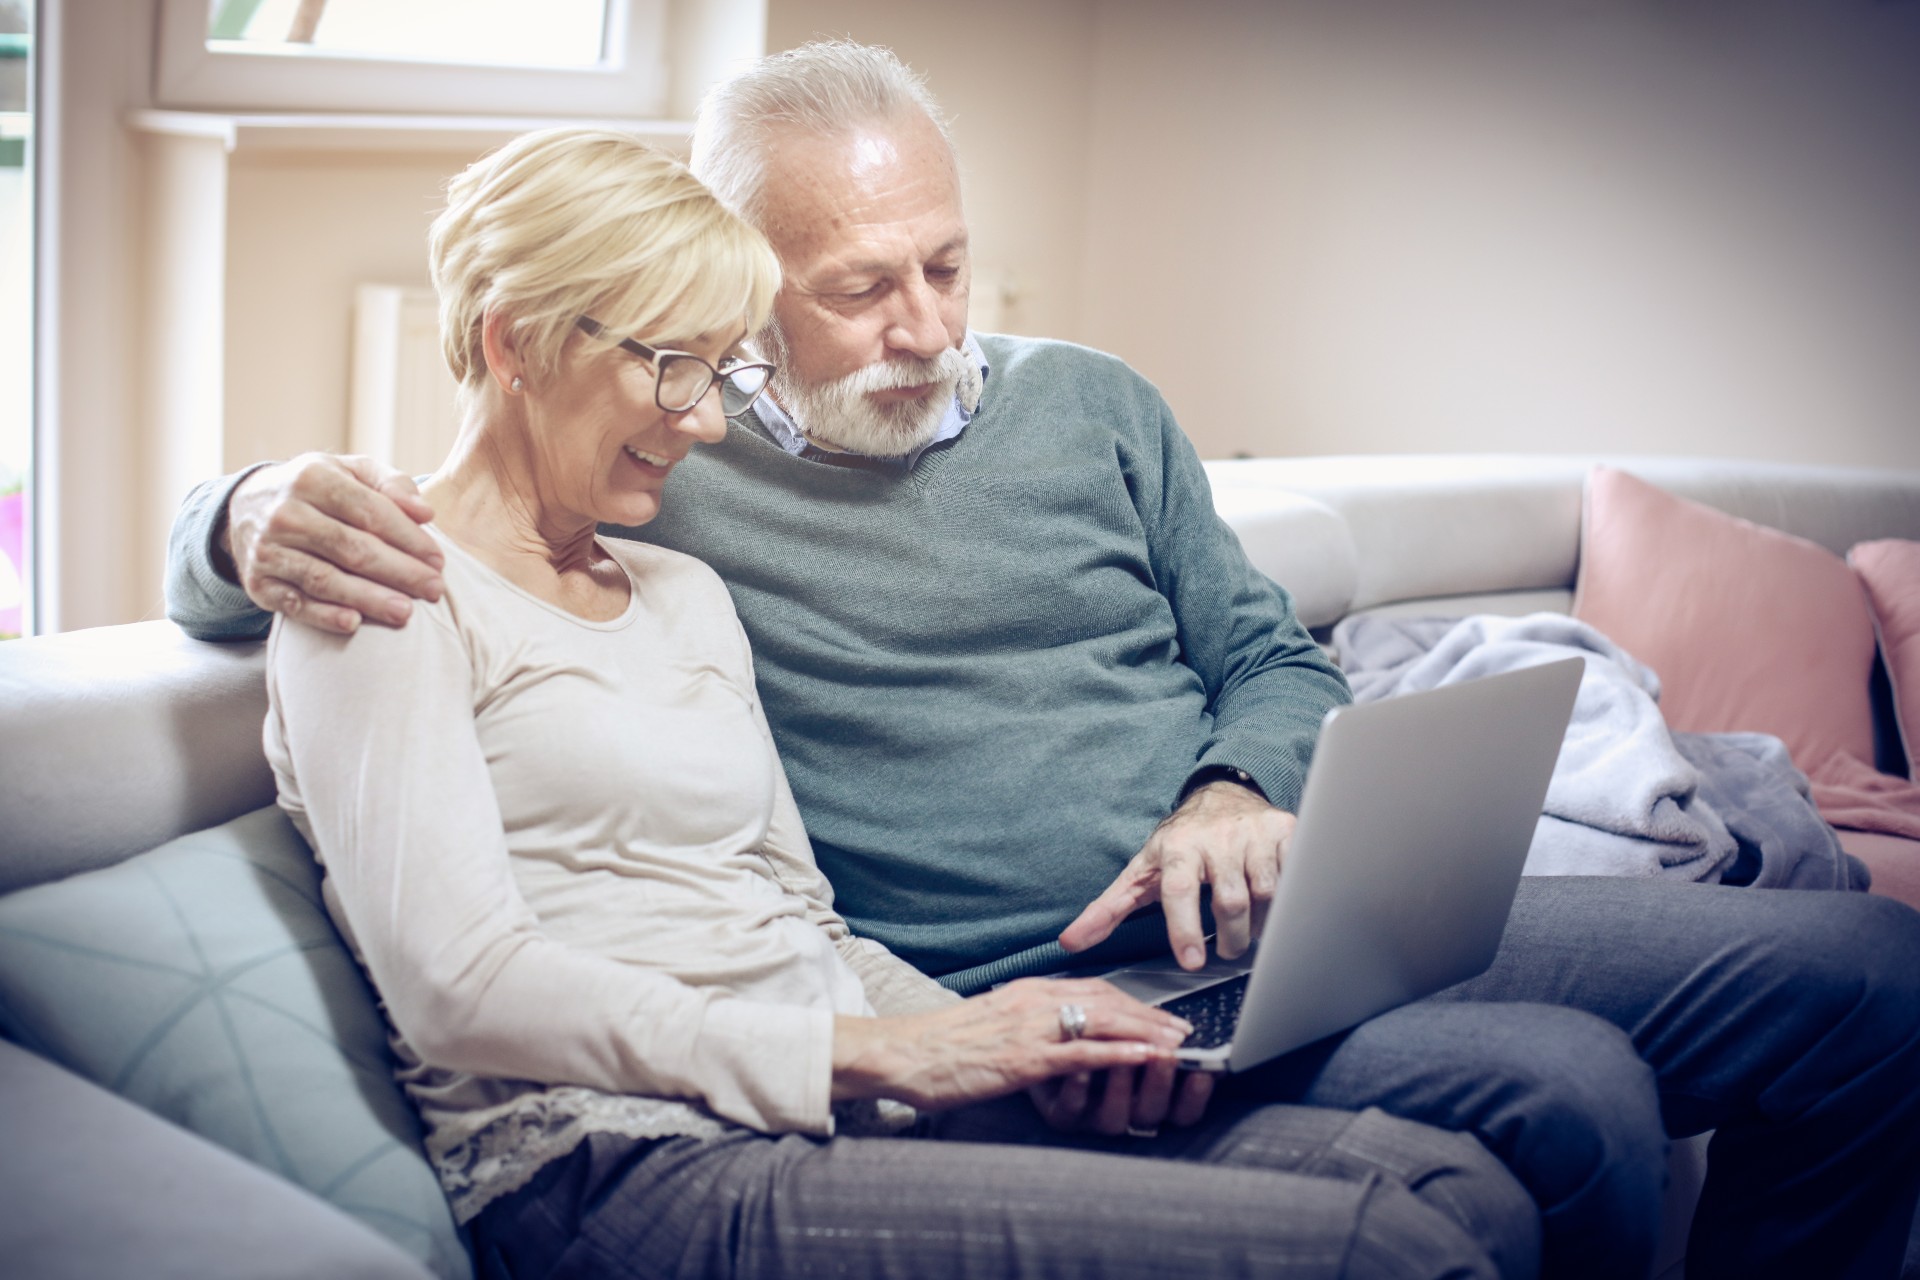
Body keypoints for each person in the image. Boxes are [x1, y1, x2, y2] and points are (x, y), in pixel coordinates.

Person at [169, 44, 1920, 1280]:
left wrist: (1240, 786)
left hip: (1246, 940)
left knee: (1865, 978)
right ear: (745, 283)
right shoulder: (664, 489)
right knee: (1558, 1112)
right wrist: (237, 508)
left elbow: (1265, 659)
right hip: (965, 1011)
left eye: (945, 262)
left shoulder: (1057, 419)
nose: (927, 326)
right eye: (860, 289)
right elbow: (373, 555)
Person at [262, 124, 1539, 1280]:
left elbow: (805, 920)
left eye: (723, 371)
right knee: (1390, 1245)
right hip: (624, 1158)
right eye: (677, 372)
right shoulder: (381, 597)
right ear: (512, 339)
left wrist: (1021, 1042)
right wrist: (894, 1057)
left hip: (837, 1098)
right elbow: (460, 988)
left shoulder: (681, 590)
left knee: (1449, 1186)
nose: (709, 421)